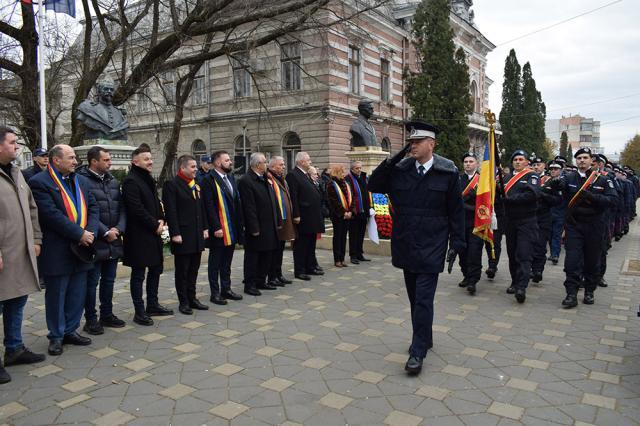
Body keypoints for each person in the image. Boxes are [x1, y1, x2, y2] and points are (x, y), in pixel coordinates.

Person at [369, 119, 464, 375]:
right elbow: (374, 186)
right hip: (407, 242)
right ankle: (425, 335)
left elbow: (456, 211)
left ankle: (417, 350)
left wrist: (457, 242)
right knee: (415, 299)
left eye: (417, 141)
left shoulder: (447, 171)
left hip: (432, 242)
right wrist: (393, 159)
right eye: (409, 141)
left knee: (423, 299)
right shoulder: (401, 169)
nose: (412, 145)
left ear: (431, 144)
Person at [30, 145, 99, 356]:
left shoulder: (82, 181)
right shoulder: (39, 183)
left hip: (82, 248)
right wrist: (79, 234)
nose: (75, 161)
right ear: (56, 160)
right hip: (58, 249)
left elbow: (94, 208)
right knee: (57, 295)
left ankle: (71, 330)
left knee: (77, 293)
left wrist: (90, 232)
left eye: (75, 157)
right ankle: (56, 336)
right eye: (70, 158)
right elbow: (50, 215)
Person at [0, 127, 46, 383]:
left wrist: (36, 239)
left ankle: (14, 348)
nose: (16, 147)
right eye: (12, 143)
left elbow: (32, 208)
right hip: (2, 254)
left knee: (17, 300)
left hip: (20, 251)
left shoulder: (16, 172)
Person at [77, 147, 127, 335]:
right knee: (92, 283)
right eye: (106, 160)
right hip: (96, 241)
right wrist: (105, 232)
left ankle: (107, 314)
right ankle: (91, 319)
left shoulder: (112, 180)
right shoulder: (82, 181)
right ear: (93, 161)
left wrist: (119, 229)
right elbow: (87, 211)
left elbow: (122, 207)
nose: (110, 162)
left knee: (109, 280)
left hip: (114, 239)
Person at [122, 144, 173, 326]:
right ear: (135, 161)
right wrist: (154, 224)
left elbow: (155, 203)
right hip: (139, 236)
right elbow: (136, 209)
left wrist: (162, 219)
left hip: (154, 233)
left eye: (151, 158)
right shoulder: (131, 181)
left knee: (156, 269)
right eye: (146, 159)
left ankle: (153, 304)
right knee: (138, 274)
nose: (150, 162)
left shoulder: (147, 178)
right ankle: (139, 311)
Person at [560, 147, 616, 308]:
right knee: (571, 261)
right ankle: (571, 293)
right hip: (574, 226)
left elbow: (612, 201)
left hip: (595, 226)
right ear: (575, 161)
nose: (582, 160)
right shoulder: (569, 178)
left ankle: (589, 291)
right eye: (579, 158)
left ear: (592, 160)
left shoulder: (603, 179)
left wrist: (592, 196)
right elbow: (561, 199)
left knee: (592, 261)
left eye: (585, 158)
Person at [162, 155, 209, 315]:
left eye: (196, 166)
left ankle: (192, 298)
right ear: (182, 168)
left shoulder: (195, 184)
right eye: (193, 166)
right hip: (182, 235)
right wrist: (175, 233)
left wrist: (204, 228)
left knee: (194, 269)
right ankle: (184, 302)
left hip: (196, 234)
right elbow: (171, 210)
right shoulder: (172, 185)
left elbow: (201, 208)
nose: (196, 169)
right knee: (182, 271)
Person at [201, 150, 244, 305]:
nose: (230, 162)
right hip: (219, 230)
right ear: (218, 163)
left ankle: (226, 289)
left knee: (227, 262)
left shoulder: (230, 178)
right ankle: (215, 293)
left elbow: (235, 202)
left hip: (231, 228)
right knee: (215, 263)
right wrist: (215, 227)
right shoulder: (208, 180)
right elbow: (209, 206)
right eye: (227, 160)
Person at [238, 153, 282, 296]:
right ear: (257, 165)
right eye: (264, 162)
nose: (267, 164)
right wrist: (254, 228)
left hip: (269, 225)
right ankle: (250, 284)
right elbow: (249, 207)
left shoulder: (265, 178)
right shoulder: (247, 180)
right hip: (256, 227)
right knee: (253, 257)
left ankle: (261, 281)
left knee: (267, 254)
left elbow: (274, 201)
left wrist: (278, 221)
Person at [499, 150, 538, 304]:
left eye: (521, 159)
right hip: (510, 221)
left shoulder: (532, 176)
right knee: (512, 252)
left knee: (524, 253)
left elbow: (532, 194)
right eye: (515, 159)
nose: (518, 161)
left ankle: (522, 286)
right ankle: (515, 281)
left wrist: (511, 200)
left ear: (527, 162)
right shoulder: (506, 178)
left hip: (527, 220)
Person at [286, 152, 325, 281]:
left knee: (310, 243)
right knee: (301, 245)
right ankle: (300, 270)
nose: (310, 162)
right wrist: (296, 214)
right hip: (303, 216)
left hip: (312, 216)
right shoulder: (293, 175)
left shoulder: (305, 175)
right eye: (308, 160)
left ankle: (310, 266)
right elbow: (294, 196)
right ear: (301, 161)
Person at [530, 156, 562, 283]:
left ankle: (537, 270)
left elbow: (557, 200)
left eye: (539, 164)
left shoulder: (550, 181)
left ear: (544, 166)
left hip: (543, 217)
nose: (536, 167)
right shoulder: (527, 178)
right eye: (534, 165)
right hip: (528, 216)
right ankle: (529, 269)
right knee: (528, 245)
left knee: (540, 245)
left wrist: (542, 195)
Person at [266, 156, 296, 286]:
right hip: (276, 221)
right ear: (272, 166)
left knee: (280, 250)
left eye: (284, 164)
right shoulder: (269, 178)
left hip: (284, 220)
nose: (284, 166)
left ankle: (278, 274)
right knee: (274, 251)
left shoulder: (281, 178)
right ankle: (272, 276)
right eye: (281, 164)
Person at [458, 153, 483, 295]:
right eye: (466, 161)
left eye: (471, 161)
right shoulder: (457, 179)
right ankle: (466, 275)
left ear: (476, 164)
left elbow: (485, 203)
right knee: (462, 251)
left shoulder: (482, 181)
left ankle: (473, 280)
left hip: (476, 222)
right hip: (461, 222)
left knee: (474, 252)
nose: (468, 164)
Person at [326, 165, 353, 267]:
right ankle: (337, 259)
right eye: (341, 172)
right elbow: (333, 202)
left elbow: (351, 198)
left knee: (343, 237)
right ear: (336, 172)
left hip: (347, 215)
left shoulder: (346, 183)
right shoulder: (331, 184)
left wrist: (350, 211)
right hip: (338, 215)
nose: (343, 173)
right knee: (337, 237)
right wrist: (343, 212)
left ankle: (342, 258)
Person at [345, 160, 371, 264]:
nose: (359, 170)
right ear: (352, 169)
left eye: (360, 168)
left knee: (361, 234)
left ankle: (360, 253)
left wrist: (369, 208)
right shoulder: (348, 179)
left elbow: (366, 193)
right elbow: (348, 196)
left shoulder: (363, 178)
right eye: (357, 168)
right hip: (355, 212)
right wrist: (351, 210)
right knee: (353, 234)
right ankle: (353, 255)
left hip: (363, 210)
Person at [547, 161, 565, 264]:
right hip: (549, 213)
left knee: (556, 235)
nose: (553, 171)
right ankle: (552, 253)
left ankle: (555, 255)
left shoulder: (563, 181)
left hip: (560, 213)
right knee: (549, 235)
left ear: (561, 170)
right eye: (551, 169)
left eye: (556, 169)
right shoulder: (547, 181)